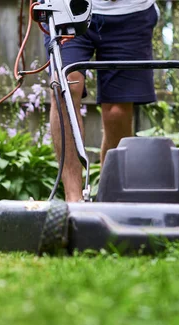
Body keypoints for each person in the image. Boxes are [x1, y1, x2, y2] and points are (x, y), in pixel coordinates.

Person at [45, 0, 159, 202]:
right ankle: (74, 200)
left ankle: (109, 198)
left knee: (117, 111)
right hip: (68, 7)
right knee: (64, 86)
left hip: (131, 11)